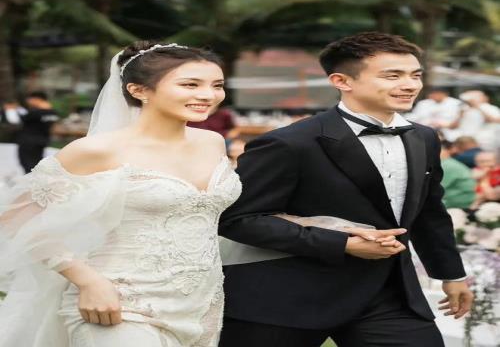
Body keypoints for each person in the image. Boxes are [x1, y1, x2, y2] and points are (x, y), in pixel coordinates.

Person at [219, 32, 473, 347]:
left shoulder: (424, 138)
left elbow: (429, 212)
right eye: (392, 75)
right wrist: (342, 244)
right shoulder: (288, 143)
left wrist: (451, 274)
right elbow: (236, 219)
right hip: (285, 294)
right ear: (342, 81)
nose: (410, 85)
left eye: (415, 75)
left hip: (387, 295)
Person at [0, 42, 243, 347]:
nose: (208, 95)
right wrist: (87, 280)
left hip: (199, 303)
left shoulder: (212, 143)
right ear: (139, 90)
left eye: (217, 85)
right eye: (190, 84)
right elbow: (16, 214)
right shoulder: (97, 150)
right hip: (117, 301)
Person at [15, 91, 60, 173]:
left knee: (28, 164)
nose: (28, 102)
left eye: (29, 99)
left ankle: (31, 180)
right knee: (36, 164)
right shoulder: (54, 113)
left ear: (37, 99)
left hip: (29, 142)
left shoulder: (34, 113)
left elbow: (20, 120)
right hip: (42, 141)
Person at [440, 140, 475, 209]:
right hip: (462, 199)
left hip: (463, 201)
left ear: (445, 151)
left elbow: (437, 187)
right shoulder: (448, 163)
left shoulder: (447, 164)